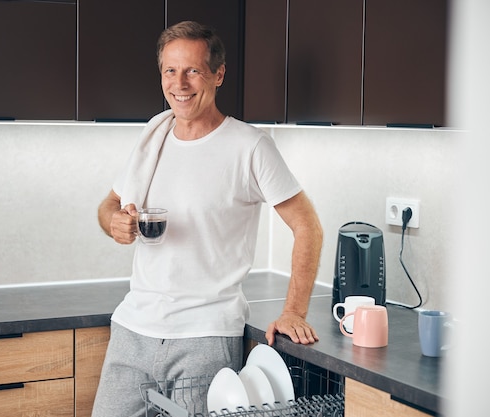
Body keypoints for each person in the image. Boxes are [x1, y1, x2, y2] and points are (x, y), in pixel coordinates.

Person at [91, 21, 323, 417]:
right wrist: (114, 221)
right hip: (134, 328)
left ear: (218, 74)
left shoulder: (250, 147)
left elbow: (308, 226)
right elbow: (108, 206)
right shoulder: (154, 133)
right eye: (170, 70)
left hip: (205, 336)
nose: (179, 83)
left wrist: (294, 312)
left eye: (193, 70)